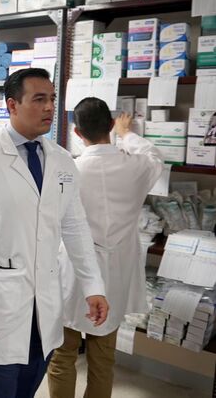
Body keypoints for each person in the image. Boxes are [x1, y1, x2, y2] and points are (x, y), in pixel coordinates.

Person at [0, 68, 109, 398]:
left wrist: (93, 285)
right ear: (12, 105)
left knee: (28, 388)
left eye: (51, 99)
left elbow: (75, 227)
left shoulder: (62, 161)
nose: (49, 107)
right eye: (38, 99)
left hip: (45, 307)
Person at [47, 98, 163, 398]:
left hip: (73, 272)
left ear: (76, 132)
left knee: (62, 355)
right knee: (103, 359)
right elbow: (154, 156)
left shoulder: (68, 171)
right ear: (111, 125)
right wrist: (127, 133)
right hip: (115, 274)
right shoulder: (136, 167)